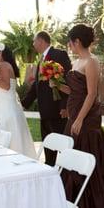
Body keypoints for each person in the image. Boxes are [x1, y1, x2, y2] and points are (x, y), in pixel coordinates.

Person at [57, 24, 104, 208]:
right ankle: (76, 202)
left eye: (70, 41)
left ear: (76, 41)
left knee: (86, 153)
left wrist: (79, 119)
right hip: (75, 114)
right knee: (72, 156)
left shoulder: (91, 62)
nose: (69, 45)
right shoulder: (77, 62)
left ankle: (92, 205)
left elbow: (92, 94)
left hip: (86, 118)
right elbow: (74, 91)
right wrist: (56, 84)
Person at [21, 31, 72, 166]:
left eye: (34, 41)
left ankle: (68, 176)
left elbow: (67, 80)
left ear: (42, 41)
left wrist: (64, 106)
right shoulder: (40, 61)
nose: (33, 44)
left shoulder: (59, 55)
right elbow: (37, 87)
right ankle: (50, 172)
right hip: (44, 112)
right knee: (48, 146)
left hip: (57, 111)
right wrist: (24, 103)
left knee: (62, 146)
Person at [0, 42, 37, 159]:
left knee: (7, 138)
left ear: (1, 54)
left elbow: (6, 86)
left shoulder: (3, 65)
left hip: (6, 111)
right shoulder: (8, 65)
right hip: (7, 107)